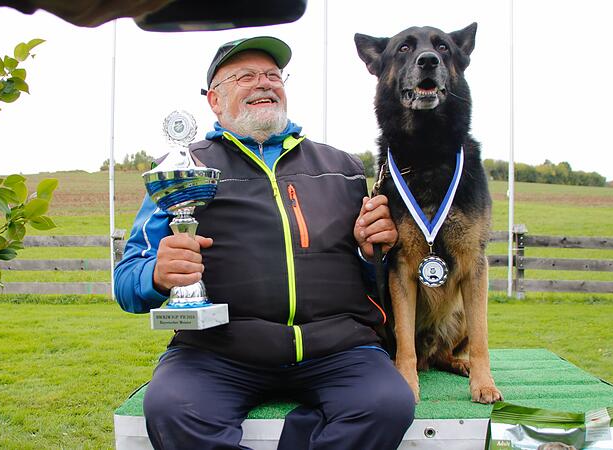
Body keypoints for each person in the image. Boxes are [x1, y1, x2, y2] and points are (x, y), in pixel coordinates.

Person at [114, 36, 415, 450]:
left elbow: (373, 276)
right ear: (214, 101)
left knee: (386, 404)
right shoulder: (183, 170)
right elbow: (127, 283)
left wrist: (370, 252)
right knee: (172, 408)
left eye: (274, 75)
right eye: (245, 76)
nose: (264, 83)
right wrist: (157, 274)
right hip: (218, 352)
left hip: (338, 349)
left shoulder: (342, 167)